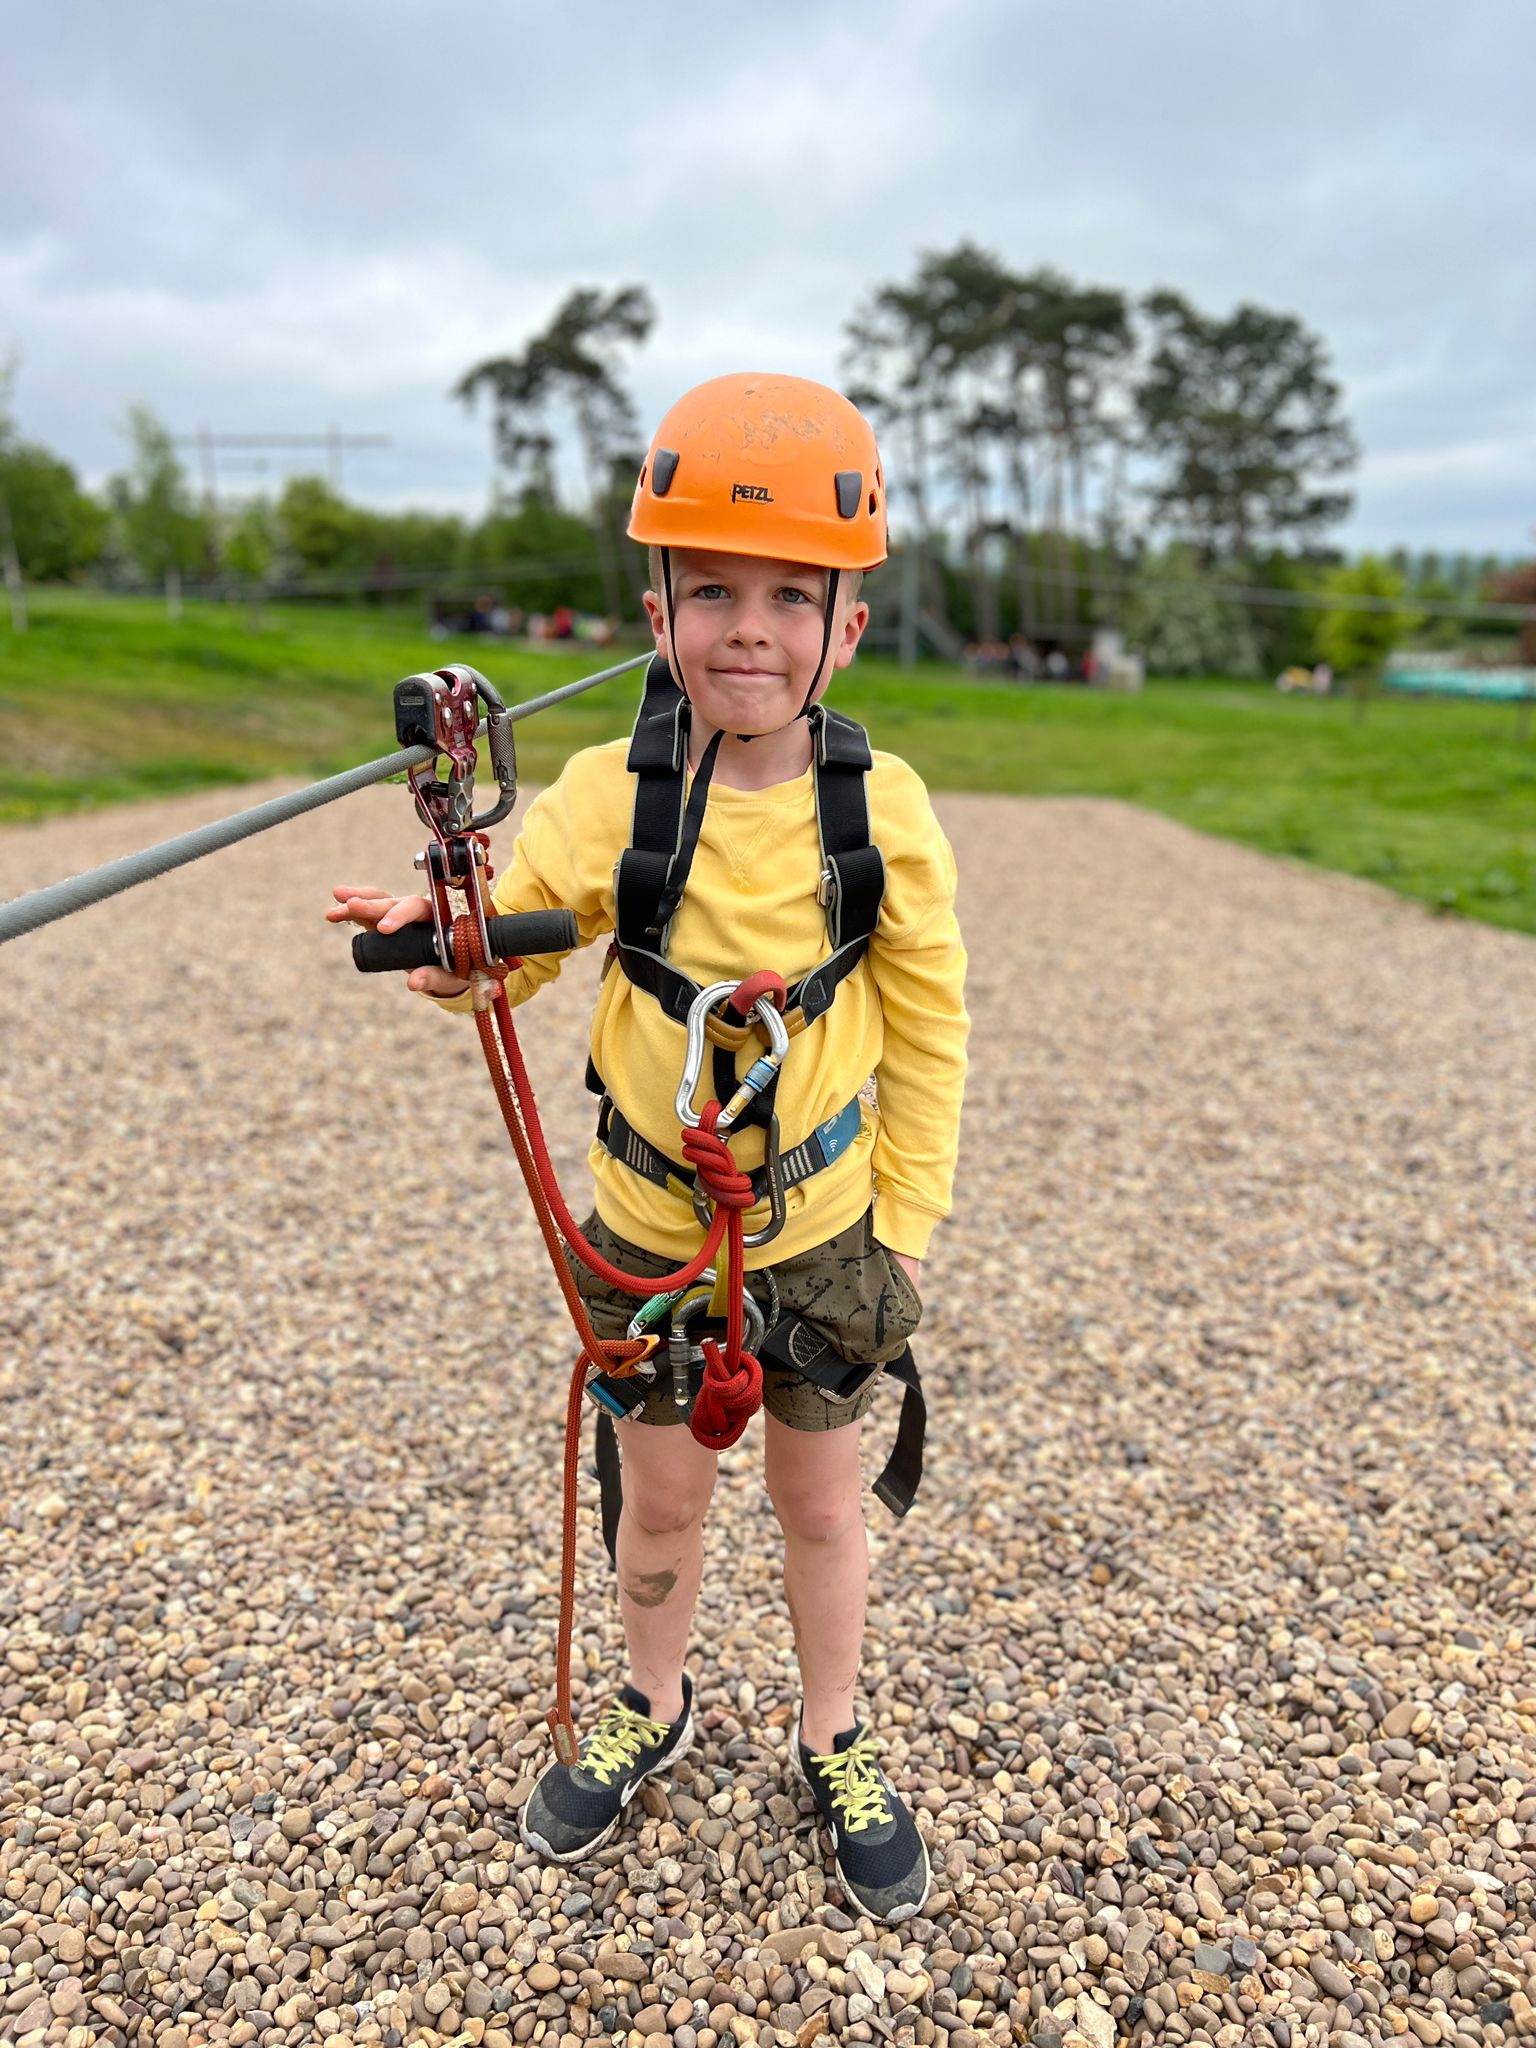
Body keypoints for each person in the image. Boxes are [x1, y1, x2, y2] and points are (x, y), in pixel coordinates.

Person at [327, 374, 969, 1924]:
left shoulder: (880, 811)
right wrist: (454, 937)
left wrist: (907, 1231)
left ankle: (834, 1730)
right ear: (659, 609)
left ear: (849, 626)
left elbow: (932, 1023)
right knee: (661, 1500)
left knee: (821, 1504)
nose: (748, 629)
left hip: (821, 1237)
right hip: (647, 1224)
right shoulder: (609, 791)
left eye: (786, 599)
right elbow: (518, 955)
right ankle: (654, 1702)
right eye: (711, 595)